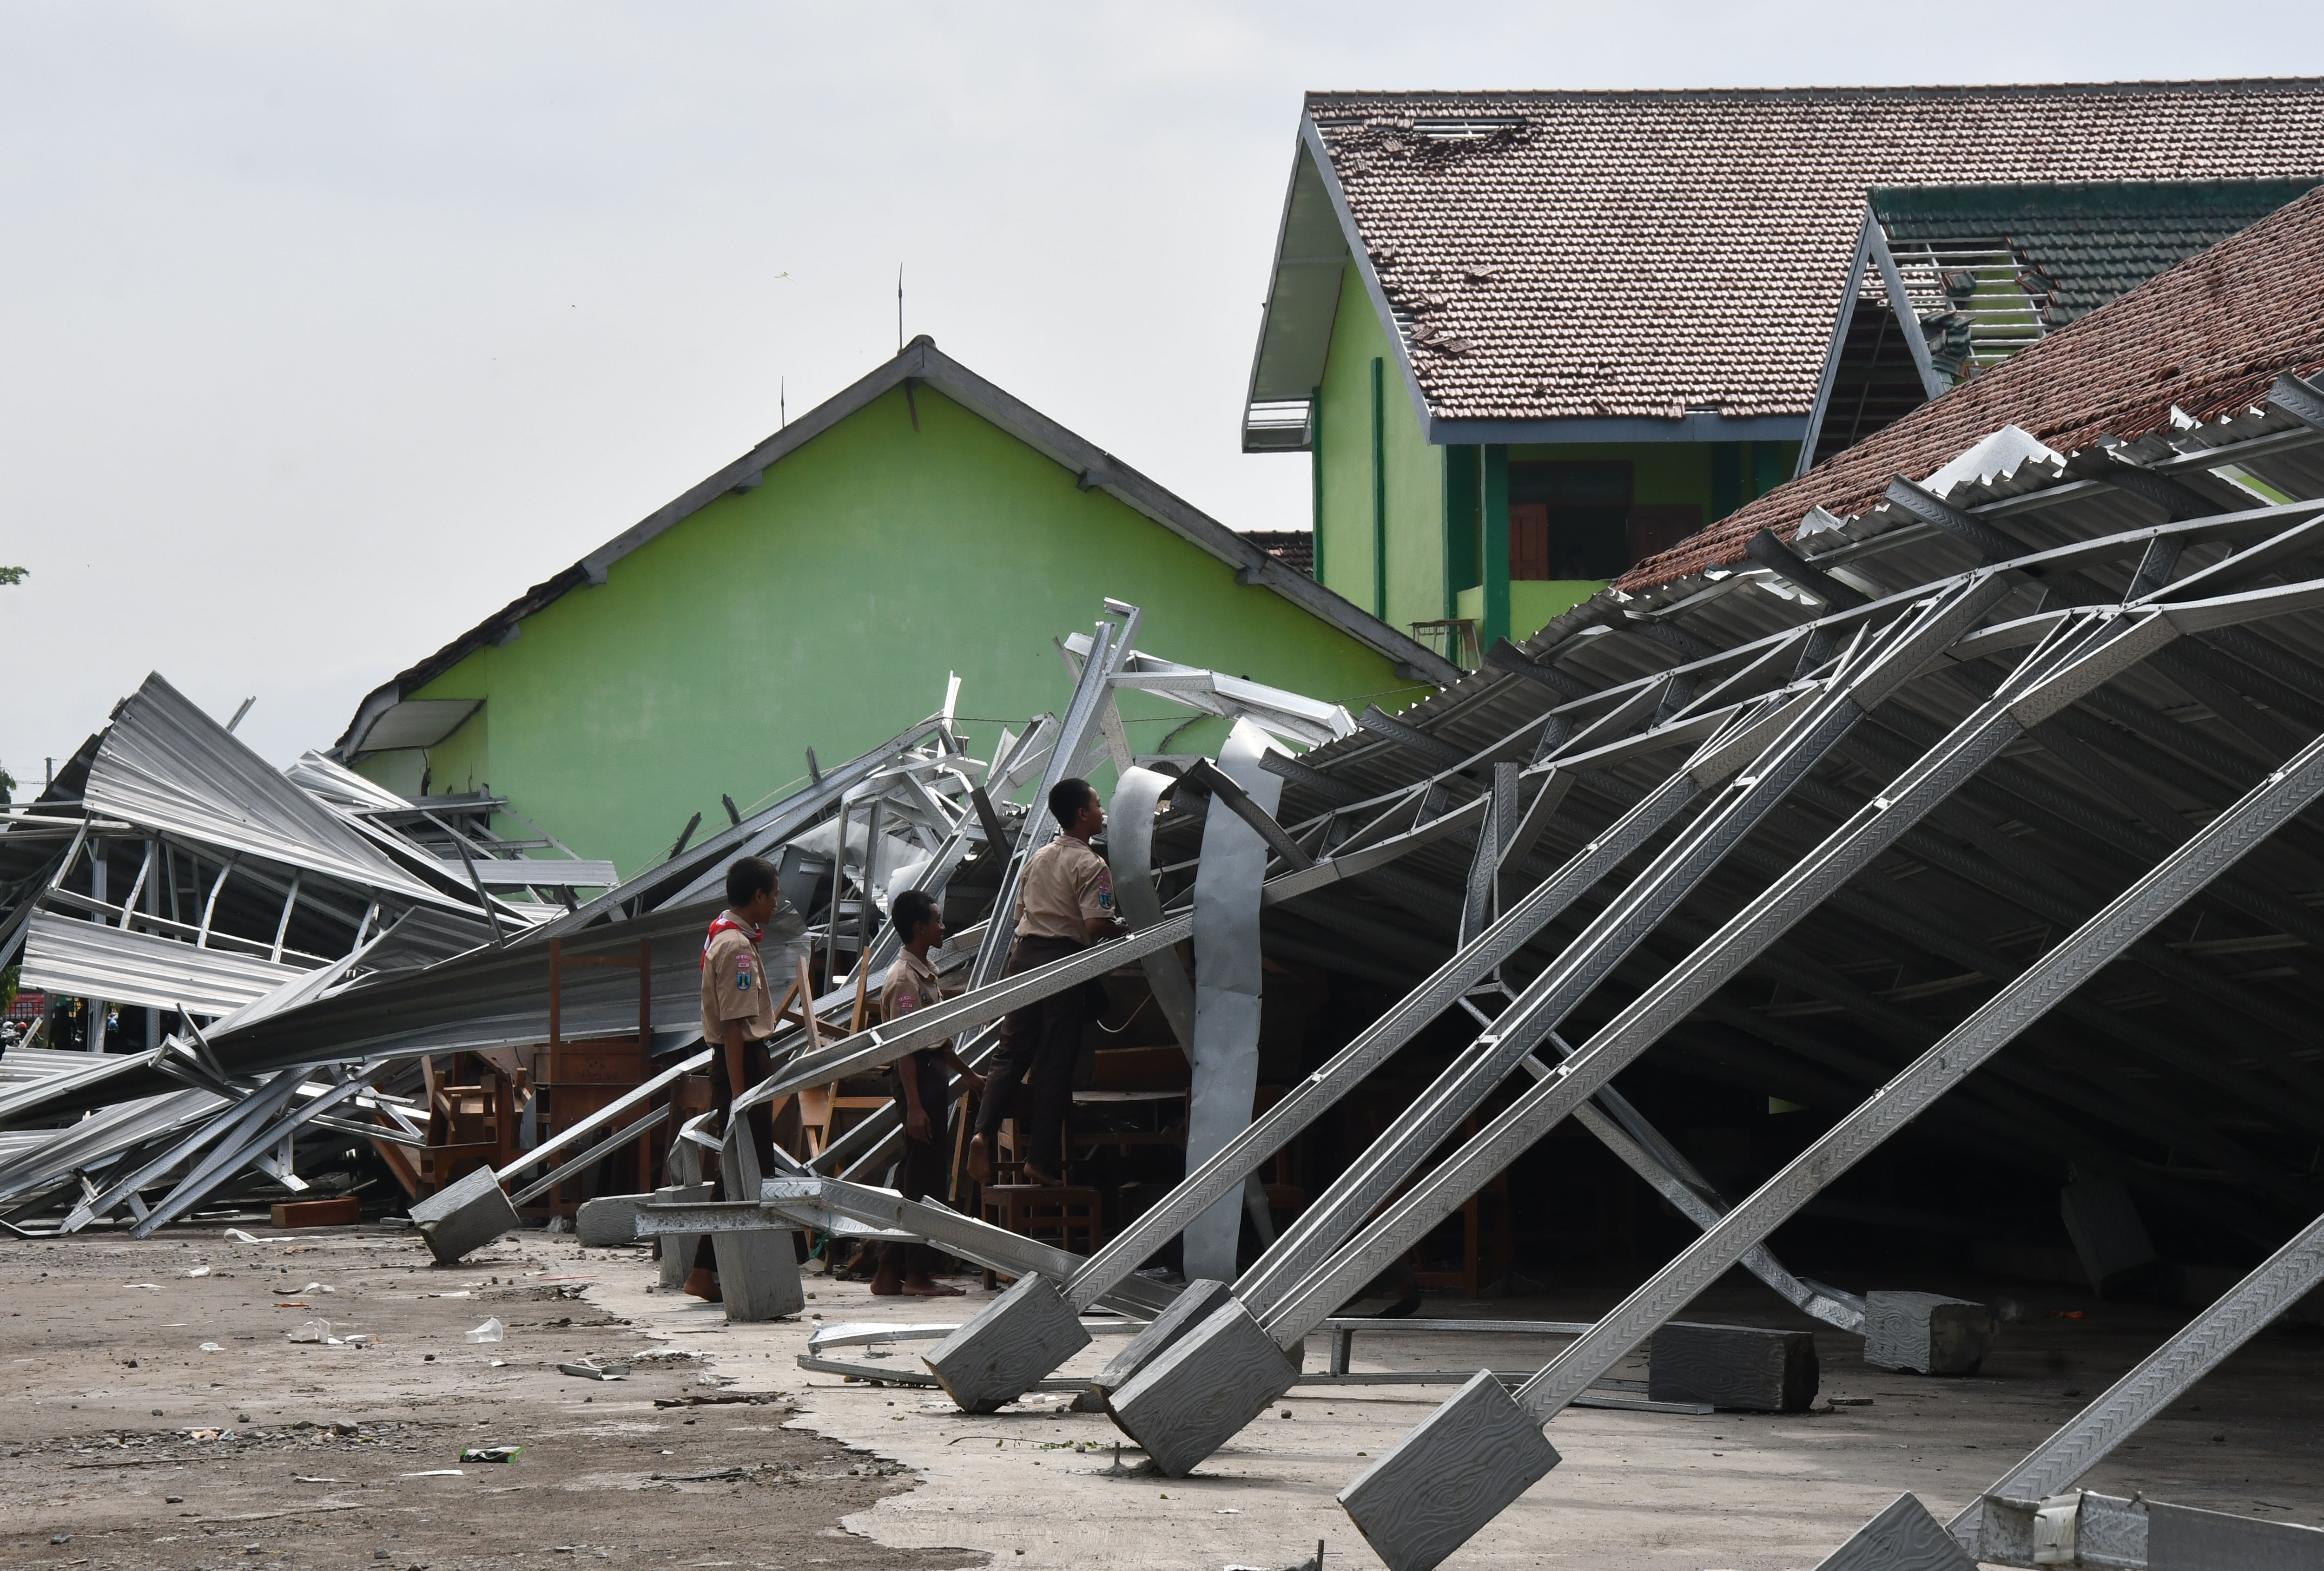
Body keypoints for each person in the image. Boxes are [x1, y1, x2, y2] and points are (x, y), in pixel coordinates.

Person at [968, 777, 1123, 1186]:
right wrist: (1121, 929)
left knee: (1011, 1053)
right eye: (1097, 802)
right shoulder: (1093, 864)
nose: (1102, 808)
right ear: (1082, 814)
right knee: (1055, 1063)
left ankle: (982, 1132)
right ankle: (1038, 1159)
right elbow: (1094, 922)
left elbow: (1021, 917)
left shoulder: (1037, 858)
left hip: (1024, 959)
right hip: (1062, 963)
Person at [868, 887, 985, 1297]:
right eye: (937, 920)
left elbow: (934, 1037)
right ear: (920, 927)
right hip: (916, 1078)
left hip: (930, 1072)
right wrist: (915, 1107)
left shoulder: (924, 970)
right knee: (925, 1180)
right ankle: (913, 1274)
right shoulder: (904, 979)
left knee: (916, 1173)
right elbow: (905, 1047)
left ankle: (890, 1272)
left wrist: (966, 1074)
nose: (943, 926)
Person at [691, 854, 786, 1302]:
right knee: (744, 1166)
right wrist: (741, 1093)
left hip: (740, 1062)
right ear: (758, 896)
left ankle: (711, 1268)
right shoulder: (736, 947)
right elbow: (733, 1025)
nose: (777, 902)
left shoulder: (724, 935)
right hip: (741, 1063)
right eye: (774, 894)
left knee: (741, 1166)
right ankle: (705, 1268)